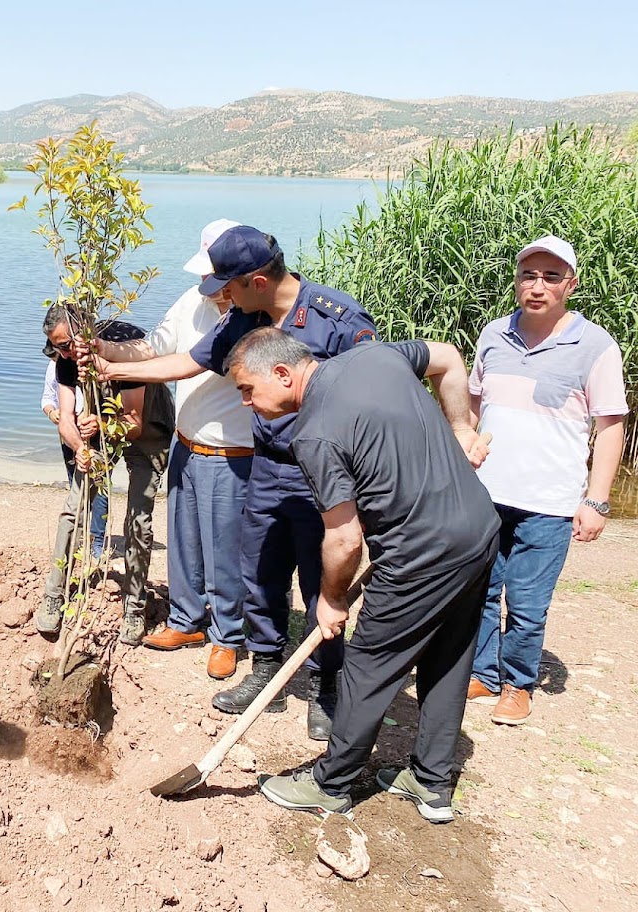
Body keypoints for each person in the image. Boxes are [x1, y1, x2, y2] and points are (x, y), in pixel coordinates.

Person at [92, 225, 377, 739]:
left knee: (321, 582)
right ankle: (264, 669)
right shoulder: (247, 316)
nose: (222, 296)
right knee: (261, 574)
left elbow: (372, 393)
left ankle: (324, 687)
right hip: (266, 467)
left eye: (231, 284)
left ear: (258, 280)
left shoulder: (336, 318)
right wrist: (112, 367)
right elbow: (190, 361)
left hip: (322, 476)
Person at [231, 328, 499, 824]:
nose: (248, 402)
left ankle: (330, 783)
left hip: (419, 553)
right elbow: (448, 359)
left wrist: (330, 600)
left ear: (283, 373)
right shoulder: (376, 357)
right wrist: (462, 428)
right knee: (449, 656)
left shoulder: (313, 432)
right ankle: (431, 780)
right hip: (479, 529)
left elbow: (344, 539)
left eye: (248, 389)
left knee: (368, 664)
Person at [467, 236, 627, 725]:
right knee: (480, 591)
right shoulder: (494, 335)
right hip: (486, 495)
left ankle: (517, 683)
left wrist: (596, 501)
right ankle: (483, 673)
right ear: (517, 280)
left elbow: (611, 425)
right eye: (528, 275)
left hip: (550, 502)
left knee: (529, 601)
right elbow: (474, 405)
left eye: (551, 277)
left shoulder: (595, 345)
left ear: (570, 286)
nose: (537, 286)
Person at [95, 219, 255, 681]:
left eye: (219, 280)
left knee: (225, 548)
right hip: (187, 444)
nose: (211, 288)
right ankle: (187, 620)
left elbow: (184, 366)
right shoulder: (192, 300)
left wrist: (112, 367)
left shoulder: (255, 317)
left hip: (235, 453)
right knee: (183, 542)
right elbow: (153, 348)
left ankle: (228, 636)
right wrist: (104, 350)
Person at [35, 306, 175, 646]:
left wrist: (101, 425)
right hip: (101, 425)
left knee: (137, 518)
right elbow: (65, 417)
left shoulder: (129, 344)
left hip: (146, 430)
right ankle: (54, 593)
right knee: (74, 506)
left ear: (85, 331)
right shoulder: (65, 357)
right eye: (58, 348)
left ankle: (134, 607)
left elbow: (134, 423)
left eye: (68, 345)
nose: (64, 353)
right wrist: (80, 449)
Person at [41, 359, 108, 560]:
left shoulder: (93, 364)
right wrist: (52, 412)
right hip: (69, 433)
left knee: (101, 486)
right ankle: (79, 536)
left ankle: (97, 540)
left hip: (96, 433)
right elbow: (47, 398)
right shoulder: (55, 365)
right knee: (76, 486)